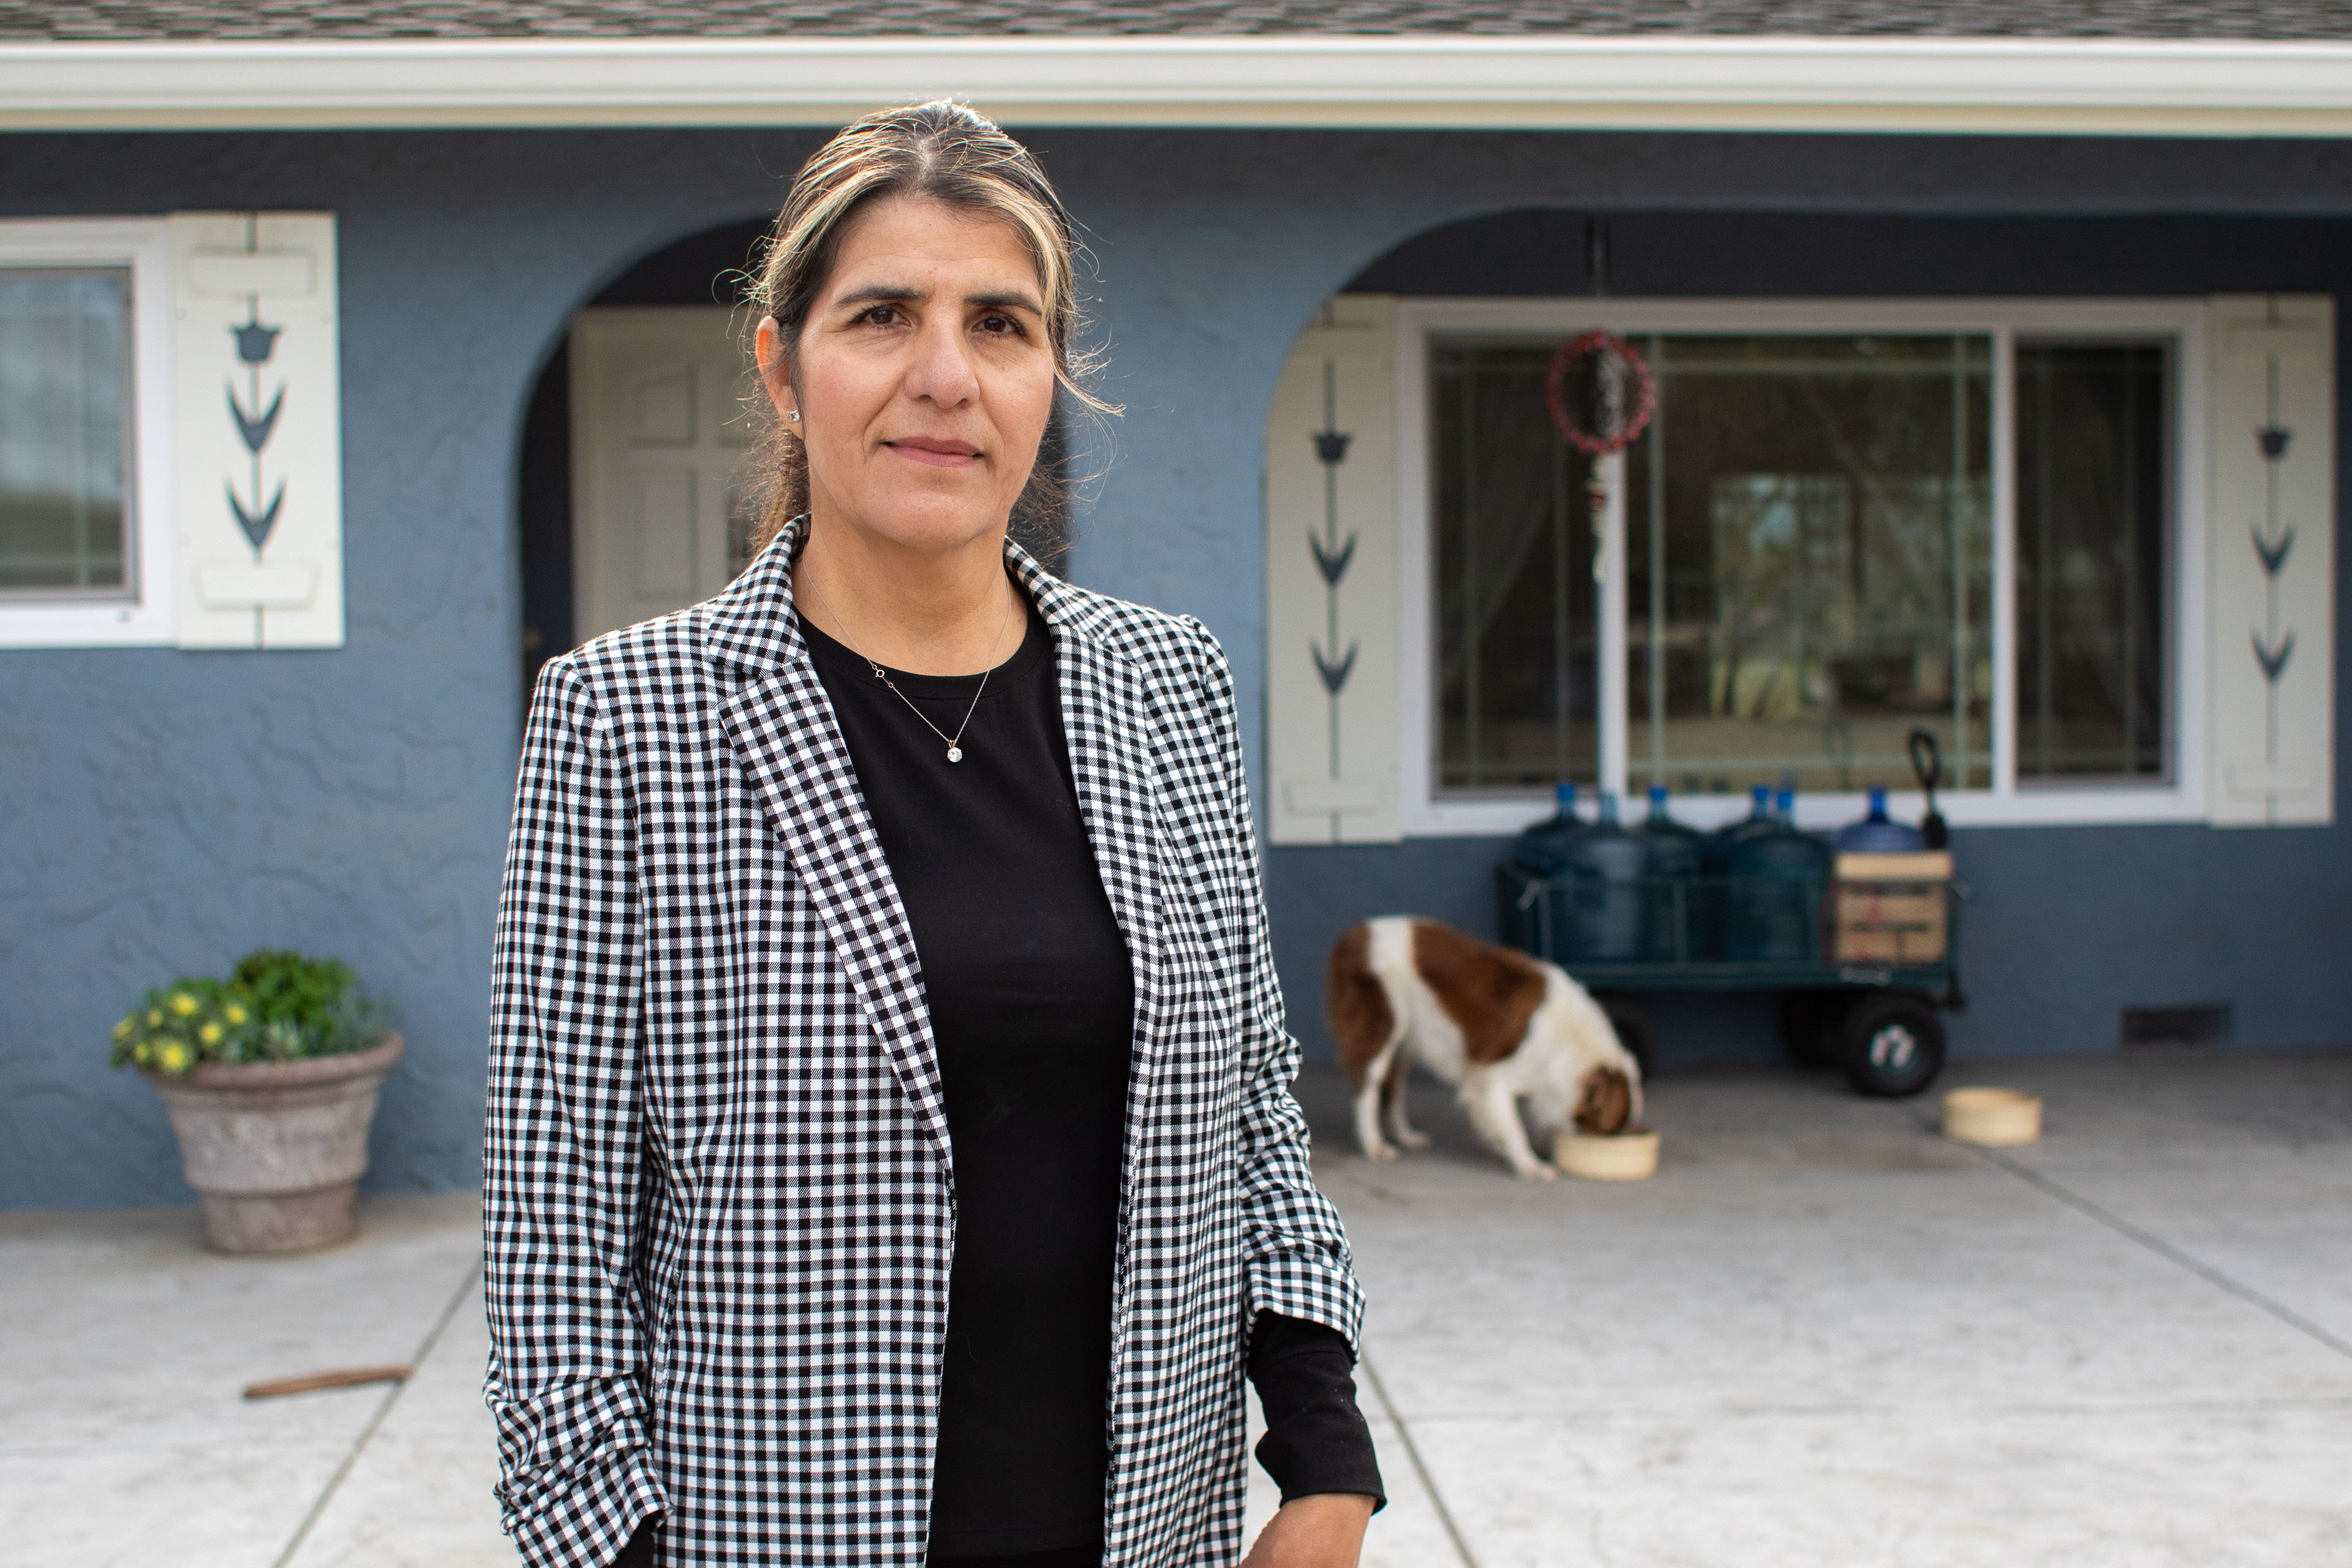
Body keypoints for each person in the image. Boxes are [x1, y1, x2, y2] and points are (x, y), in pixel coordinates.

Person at [482, 101, 1382, 1568]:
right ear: (783, 367)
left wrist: (1327, 1465)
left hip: (1142, 1525)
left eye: (1002, 324)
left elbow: (1252, 1114)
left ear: (1052, 380)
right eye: (883, 315)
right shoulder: (622, 724)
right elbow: (554, 1226)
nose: (944, 376)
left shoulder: (1170, 689)